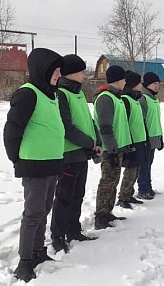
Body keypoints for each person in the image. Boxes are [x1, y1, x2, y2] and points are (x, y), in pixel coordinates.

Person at [4, 48, 64, 282]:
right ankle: (24, 261)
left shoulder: (51, 95)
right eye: (55, 70)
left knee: (43, 210)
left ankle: (38, 251)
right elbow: (11, 131)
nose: (59, 74)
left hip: (50, 163)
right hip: (34, 164)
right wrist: (16, 159)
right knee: (33, 214)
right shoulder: (28, 94)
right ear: (43, 70)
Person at [50, 54, 102, 254]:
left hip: (82, 154)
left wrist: (96, 141)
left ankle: (73, 230)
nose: (85, 75)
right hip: (69, 155)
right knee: (64, 197)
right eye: (81, 71)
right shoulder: (61, 94)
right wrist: (90, 143)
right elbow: (67, 127)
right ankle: (57, 236)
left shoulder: (78, 93)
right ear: (71, 73)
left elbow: (88, 121)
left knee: (77, 195)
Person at [93, 65, 132, 229]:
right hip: (110, 150)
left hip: (118, 148)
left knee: (113, 181)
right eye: (123, 79)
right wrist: (113, 150)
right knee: (107, 182)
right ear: (118, 80)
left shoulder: (117, 98)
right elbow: (105, 127)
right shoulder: (105, 98)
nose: (125, 82)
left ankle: (107, 212)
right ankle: (100, 216)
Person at [116, 70, 147, 208]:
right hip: (131, 142)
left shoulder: (135, 99)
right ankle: (123, 197)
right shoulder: (126, 100)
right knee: (130, 169)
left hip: (139, 140)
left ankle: (129, 194)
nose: (142, 84)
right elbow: (125, 122)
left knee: (136, 169)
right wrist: (129, 142)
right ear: (134, 84)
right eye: (139, 82)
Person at [137, 72, 164, 200]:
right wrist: (145, 137)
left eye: (158, 84)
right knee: (144, 164)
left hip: (154, 137)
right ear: (147, 84)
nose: (157, 86)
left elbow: (156, 120)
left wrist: (160, 137)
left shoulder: (154, 99)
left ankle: (148, 186)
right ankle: (143, 189)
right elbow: (141, 121)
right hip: (146, 139)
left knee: (149, 163)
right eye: (154, 84)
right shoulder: (143, 99)